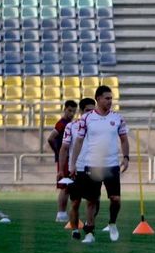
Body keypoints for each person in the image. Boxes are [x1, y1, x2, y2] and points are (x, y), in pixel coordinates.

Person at [70, 86, 129, 244]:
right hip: (92, 165)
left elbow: (124, 139)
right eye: (107, 98)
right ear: (98, 98)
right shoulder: (87, 118)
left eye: (111, 98)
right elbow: (79, 141)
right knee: (91, 200)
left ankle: (112, 223)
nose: (110, 101)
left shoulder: (117, 118)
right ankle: (89, 233)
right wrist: (73, 163)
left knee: (115, 199)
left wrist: (126, 157)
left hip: (111, 165)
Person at [58, 97, 95, 232]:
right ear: (80, 111)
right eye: (87, 111)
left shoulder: (98, 128)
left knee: (93, 201)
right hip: (77, 170)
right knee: (75, 202)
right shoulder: (71, 126)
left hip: (94, 168)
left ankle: (88, 223)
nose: (90, 114)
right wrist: (62, 170)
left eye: (92, 111)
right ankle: (75, 231)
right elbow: (64, 148)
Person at [48, 99, 78, 223]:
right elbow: (50, 138)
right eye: (69, 110)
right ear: (64, 109)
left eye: (74, 111)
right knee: (65, 187)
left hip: (68, 158)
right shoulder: (61, 123)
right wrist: (57, 152)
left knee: (68, 186)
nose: (71, 114)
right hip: (64, 159)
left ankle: (63, 213)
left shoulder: (70, 123)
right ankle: (61, 214)